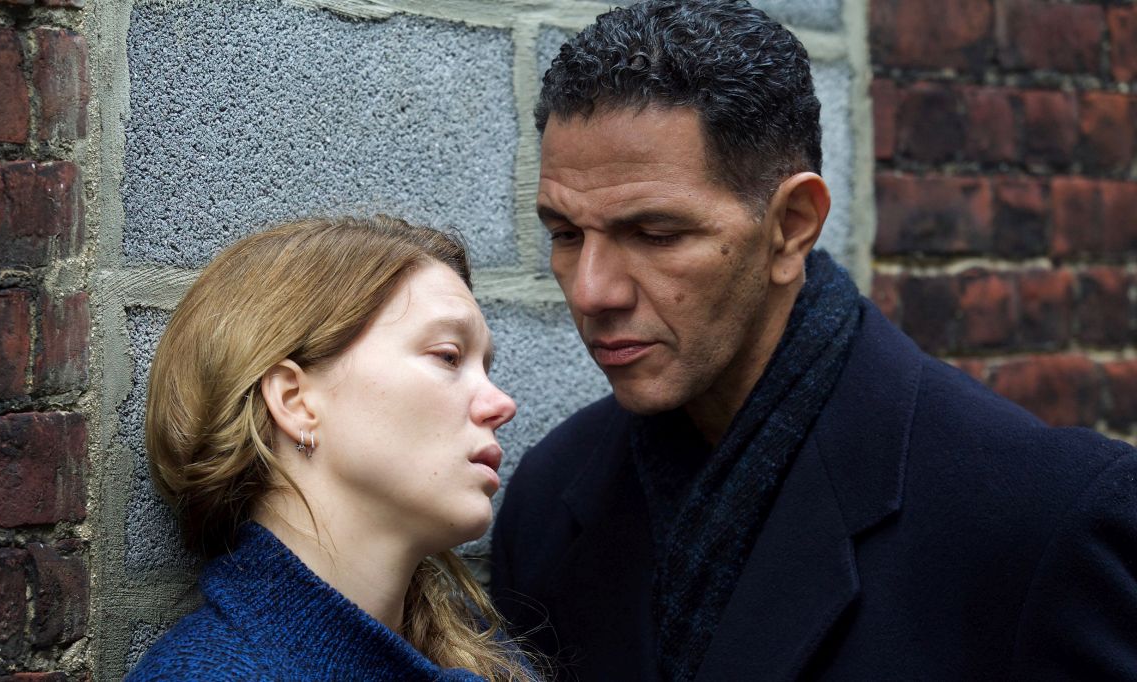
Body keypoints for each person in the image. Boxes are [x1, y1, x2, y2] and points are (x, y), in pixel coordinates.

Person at [490, 1, 1137, 680]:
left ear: (792, 225)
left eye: (655, 234)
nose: (591, 291)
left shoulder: (1043, 517)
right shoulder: (549, 500)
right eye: (565, 233)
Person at [128, 216, 538, 681]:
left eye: (486, 367)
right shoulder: (207, 675)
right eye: (448, 356)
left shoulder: (489, 659)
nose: (501, 404)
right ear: (295, 402)